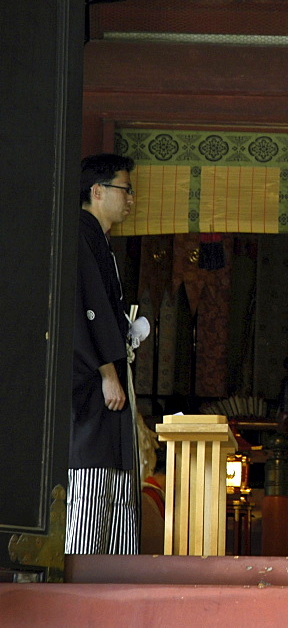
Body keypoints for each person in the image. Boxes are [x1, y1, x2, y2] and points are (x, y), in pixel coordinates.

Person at [66, 153, 140, 555]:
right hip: (92, 385)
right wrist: (107, 371)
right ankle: (83, 581)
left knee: (117, 487)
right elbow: (82, 312)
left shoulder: (99, 240)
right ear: (98, 191)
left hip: (108, 380)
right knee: (91, 486)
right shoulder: (78, 234)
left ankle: (117, 574)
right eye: (125, 189)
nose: (131, 199)